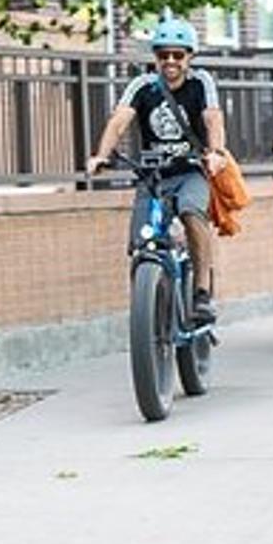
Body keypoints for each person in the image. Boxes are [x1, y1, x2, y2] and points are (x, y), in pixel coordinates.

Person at [85, 17, 231, 324]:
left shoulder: (200, 82)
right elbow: (119, 120)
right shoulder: (143, 86)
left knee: (192, 214)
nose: (170, 61)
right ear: (155, 57)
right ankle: (147, 306)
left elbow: (212, 118)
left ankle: (202, 292)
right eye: (163, 55)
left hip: (191, 171)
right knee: (142, 242)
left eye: (178, 55)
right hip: (153, 178)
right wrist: (100, 155)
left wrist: (216, 152)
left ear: (189, 56)